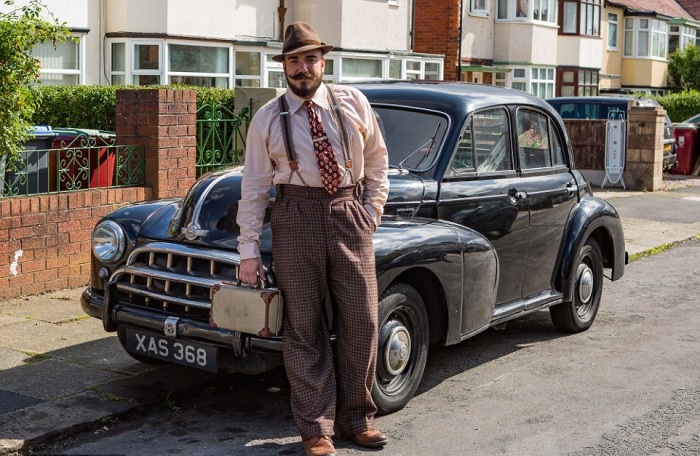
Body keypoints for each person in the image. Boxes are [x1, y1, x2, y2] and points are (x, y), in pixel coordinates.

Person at [236, 22, 390, 456]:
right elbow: (253, 188)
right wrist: (248, 251)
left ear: (323, 62)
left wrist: (370, 213)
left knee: (362, 319)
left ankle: (358, 418)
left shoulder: (352, 102)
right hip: (294, 214)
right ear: (283, 67)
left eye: (310, 59)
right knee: (303, 327)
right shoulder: (266, 118)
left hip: (348, 209)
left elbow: (378, 161)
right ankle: (316, 430)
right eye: (293, 61)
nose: (302, 68)